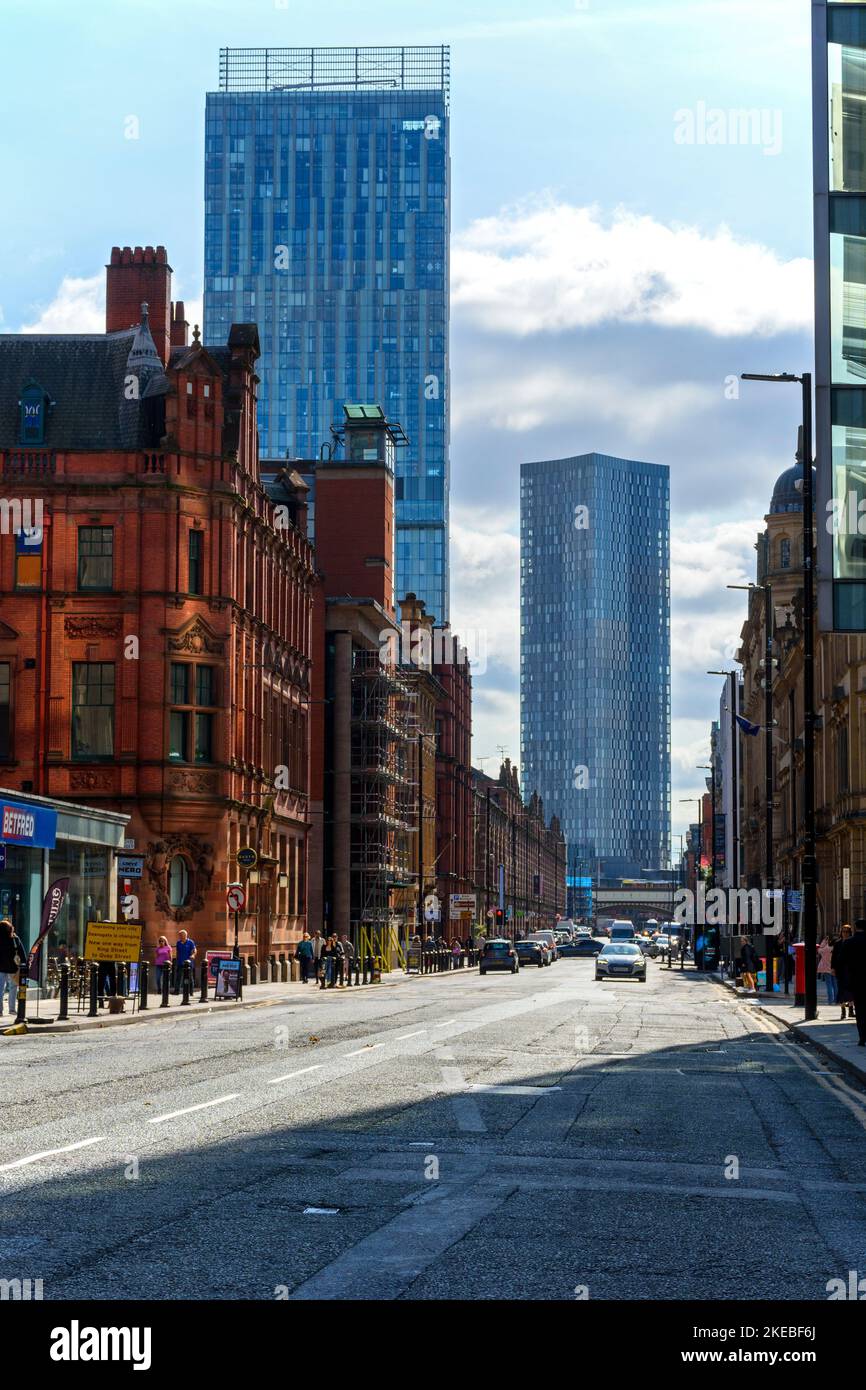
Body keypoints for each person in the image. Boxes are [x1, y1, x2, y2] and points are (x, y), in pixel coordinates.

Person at [838, 919, 866, 1046]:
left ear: (855, 928)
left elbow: (841, 961)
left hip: (855, 980)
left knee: (859, 1009)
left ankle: (862, 1037)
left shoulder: (849, 942)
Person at [0, 919, 25, 1017]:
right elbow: (21, 953)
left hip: (1, 968)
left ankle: (0, 1011)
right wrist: (24, 965)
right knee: (13, 988)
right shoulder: (15, 938)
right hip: (13, 968)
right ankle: (12, 1009)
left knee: (0, 990)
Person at [832, 924, 855, 1021]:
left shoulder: (852, 942)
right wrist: (833, 968)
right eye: (843, 931)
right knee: (841, 990)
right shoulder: (838, 943)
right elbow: (833, 957)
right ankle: (843, 1012)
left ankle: (851, 1010)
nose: (845, 933)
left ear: (850, 933)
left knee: (851, 990)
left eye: (847, 932)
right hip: (840, 970)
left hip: (850, 970)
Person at [818, 935, 838, 1006]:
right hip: (834, 969)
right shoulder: (836, 949)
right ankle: (836, 1000)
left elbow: (819, 950)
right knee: (835, 985)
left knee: (829, 985)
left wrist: (824, 941)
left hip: (826, 969)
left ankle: (830, 1001)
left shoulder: (826, 948)